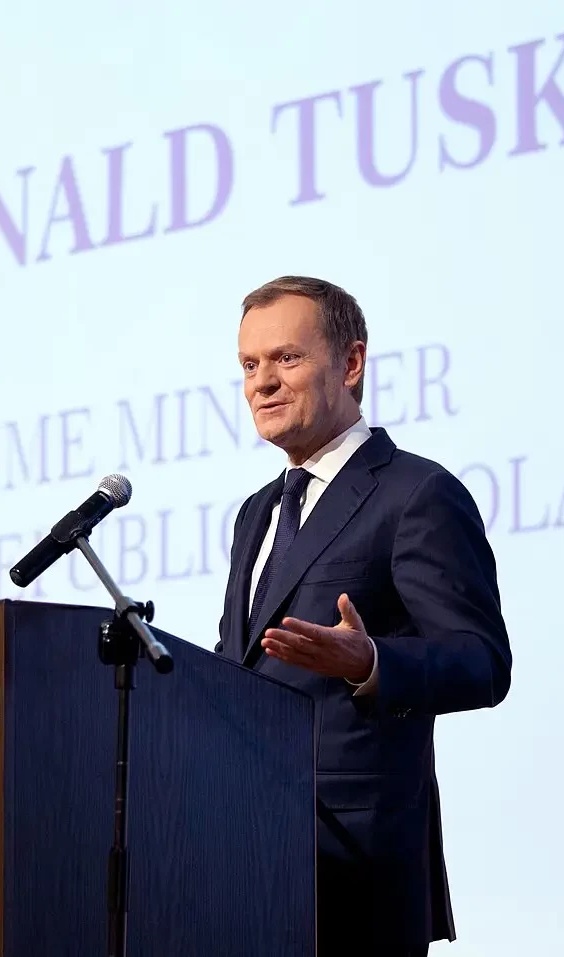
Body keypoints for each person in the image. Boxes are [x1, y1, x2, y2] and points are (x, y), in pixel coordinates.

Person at [216, 276, 512, 956]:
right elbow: (246, 663)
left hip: (358, 870)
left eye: (286, 358)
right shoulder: (255, 513)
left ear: (351, 363)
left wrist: (372, 662)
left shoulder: (417, 493)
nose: (262, 383)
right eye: (249, 365)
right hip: (245, 856)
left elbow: (482, 660)